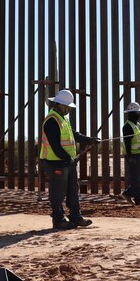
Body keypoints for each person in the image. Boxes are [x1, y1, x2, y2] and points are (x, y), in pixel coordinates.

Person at [40, 89, 97, 230]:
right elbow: (55, 145)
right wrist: (67, 159)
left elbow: (74, 135)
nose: (69, 110)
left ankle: (76, 217)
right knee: (57, 193)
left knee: (73, 190)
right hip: (55, 163)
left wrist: (90, 140)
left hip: (67, 162)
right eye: (68, 107)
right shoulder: (51, 120)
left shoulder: (63, 119)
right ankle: (58, 220)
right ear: (61, 105)